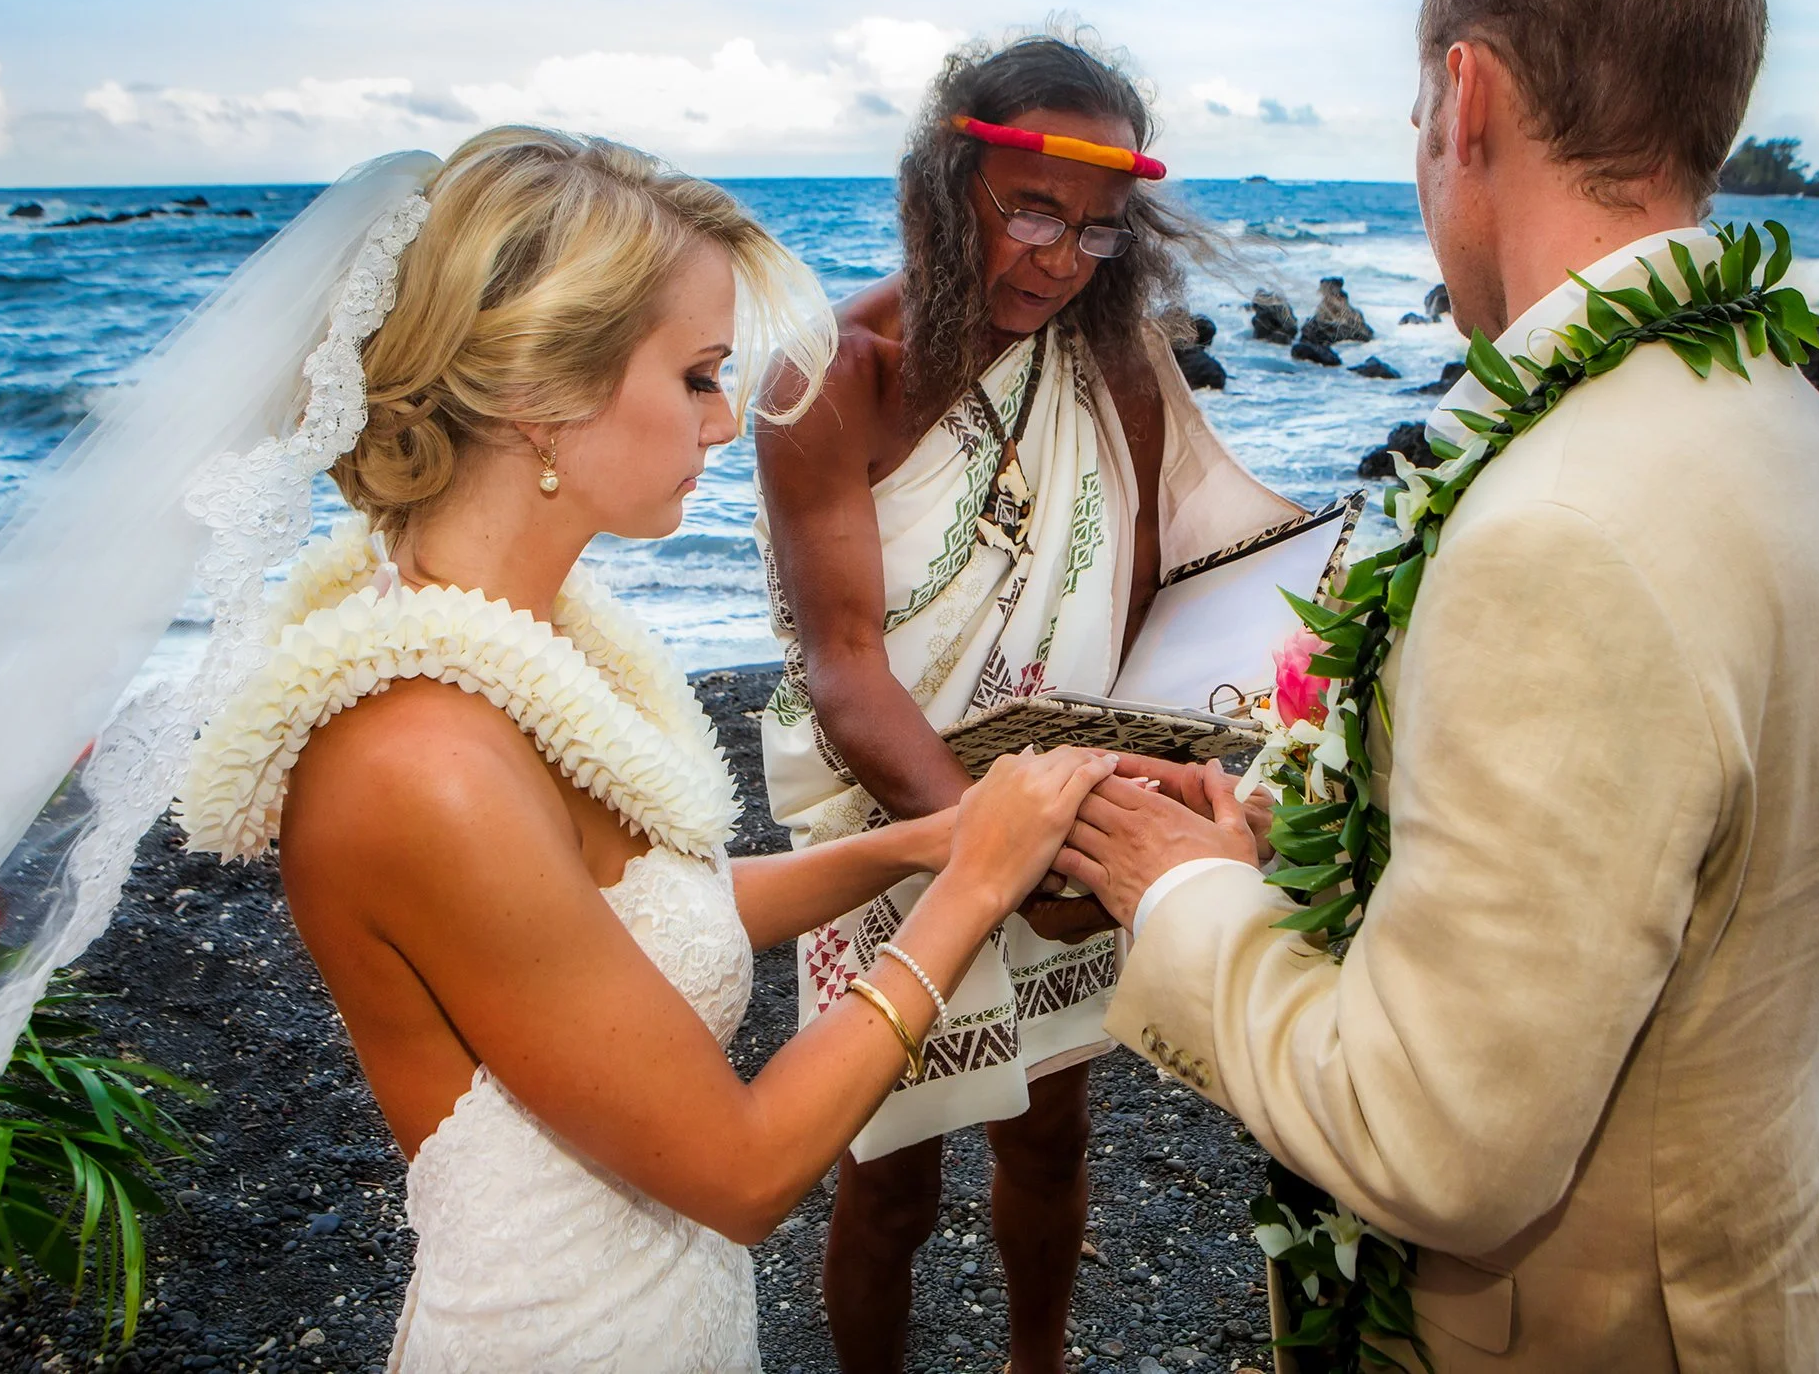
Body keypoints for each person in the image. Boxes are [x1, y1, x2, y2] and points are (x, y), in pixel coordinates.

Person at [1056, 0, 1819, 1373]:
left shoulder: (1559, 529)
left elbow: (1437, 1141)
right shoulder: (1769, 400)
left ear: (1468, 100)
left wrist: (1185, 895)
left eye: (1415, 121)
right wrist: (1310, 841)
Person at [151, 126, 1125, 1372]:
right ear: (542, 395)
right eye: (699, 375)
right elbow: (745, 1168)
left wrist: (928, 841)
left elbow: (627, 921)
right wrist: (977, 885)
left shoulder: (520, 642)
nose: (726, 423)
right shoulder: (422, 759)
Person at [755, 35, 1296, 1373]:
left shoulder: (1114, 370)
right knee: (889, 1175)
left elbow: (1154, 601)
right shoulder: (828, 377)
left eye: (1099, 230)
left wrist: (1136, 802)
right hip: (892, 820)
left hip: (1064, 809)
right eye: (1035, 212)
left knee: (1052, 1136)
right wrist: (992, 850)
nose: (1061, 261)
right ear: (950, 187)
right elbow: (845, 666)